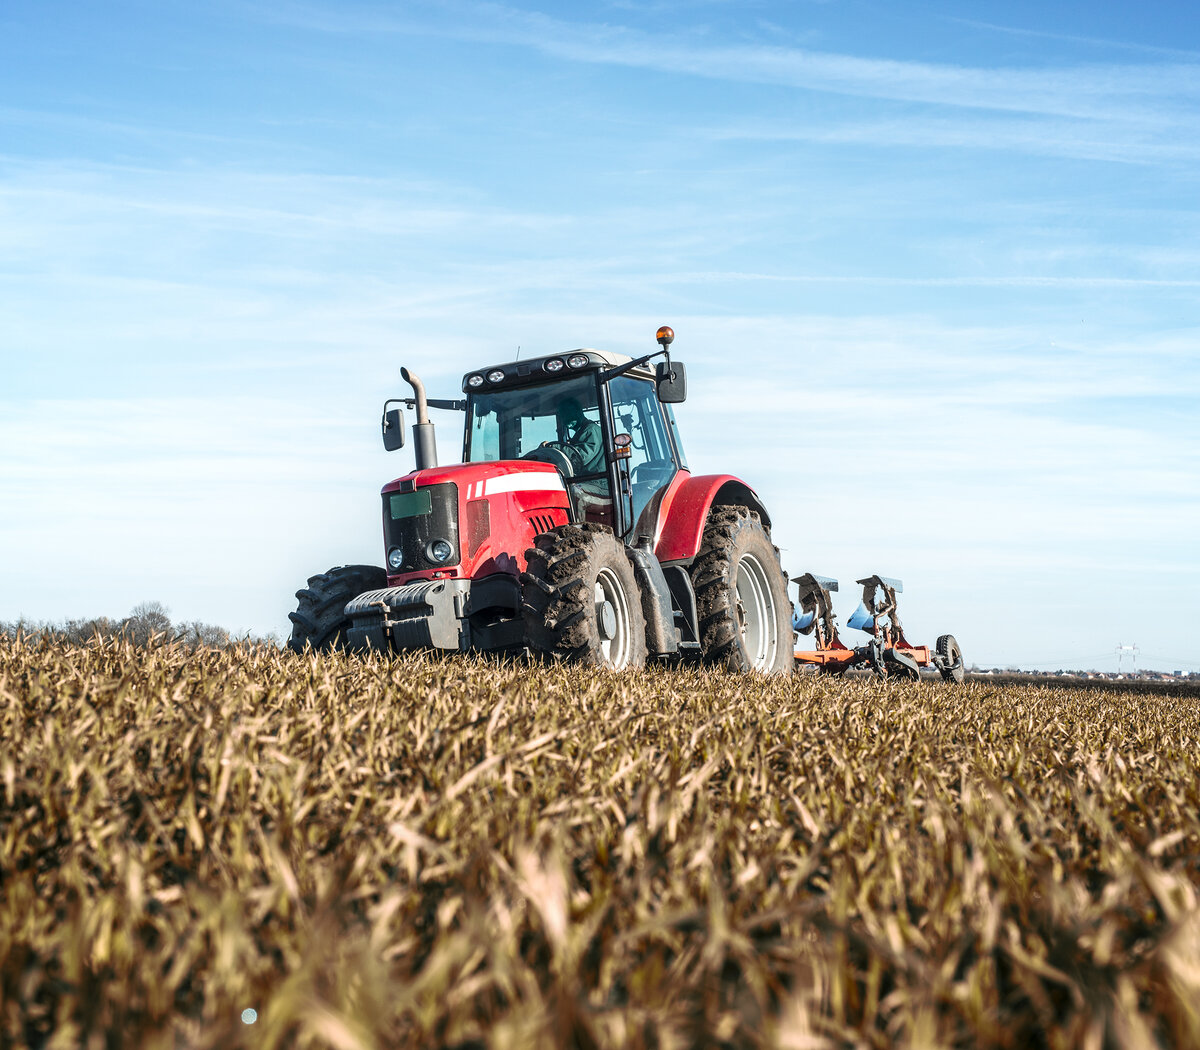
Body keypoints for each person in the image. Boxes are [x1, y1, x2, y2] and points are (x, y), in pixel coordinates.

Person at [556, 397, 605, 475]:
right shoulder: (581, 433)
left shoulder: (591, 430)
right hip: (585, 480)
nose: (564, 418)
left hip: (596, 482)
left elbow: (579, 458)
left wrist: (555, 447)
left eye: (567, 413)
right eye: (562, 415)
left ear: (578, 412)